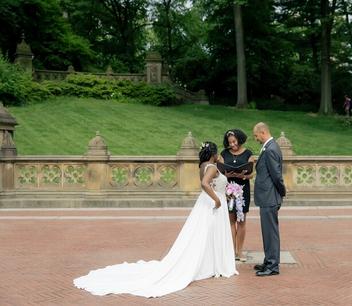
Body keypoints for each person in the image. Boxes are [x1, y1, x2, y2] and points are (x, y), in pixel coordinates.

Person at [73, 142, 238, 298]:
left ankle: (211, 263)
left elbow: (211, 183)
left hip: (205, 203)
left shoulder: (203, 166)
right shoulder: (211, 167)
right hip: (213, 204)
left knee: (206, 234)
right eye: (217, 153)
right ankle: (215, 264)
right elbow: (205, 183)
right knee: (210, 234)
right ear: (214, 154)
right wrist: (217, 199)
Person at [252, 122, 286, 277]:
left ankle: (273, 266)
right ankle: (268, 261)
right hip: (267, 197)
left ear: (263, 132)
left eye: (256, 135)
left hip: (270, 197)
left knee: (270, 232)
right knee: (267, 232)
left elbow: (276, 175)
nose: (255, 138)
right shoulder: (269, 147)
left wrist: (281, 192)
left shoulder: (271, 148)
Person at [220, 129, 255, 262]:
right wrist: (226, 175)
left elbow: (252, 174)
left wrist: (244, 176)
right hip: (228, 191)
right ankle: (231, 251)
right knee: (231, 220)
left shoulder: (248, 153)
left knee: (241, 221)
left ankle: (239, 252)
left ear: (239, 139)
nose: (232, 145)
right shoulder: (224, 153)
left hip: (243, 190)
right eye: (230, 143)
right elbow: (219, 170)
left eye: (234, 141)